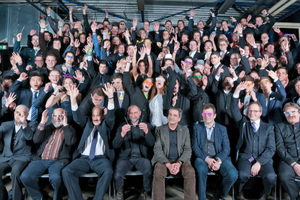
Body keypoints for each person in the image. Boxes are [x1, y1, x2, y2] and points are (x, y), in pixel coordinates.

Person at [62, 83, 115, 200]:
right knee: (67, 171)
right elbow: (76, 116)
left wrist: (110, 98)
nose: (95, 118)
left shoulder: (106, 125)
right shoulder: (87, 123)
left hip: (101, 159)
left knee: (108, 171)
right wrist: (73, 99)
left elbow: (111, 116)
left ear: (102, 116)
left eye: (98, 115)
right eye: (93, 115)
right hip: (84, 158)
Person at [231, 82, 277, 200]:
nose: (252, 113)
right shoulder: (243, 123)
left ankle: (265, 193)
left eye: (255, 111)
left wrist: (259, 162)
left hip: (262, 159)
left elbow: (271, 148)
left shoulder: (268, 127)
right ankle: (239, 192)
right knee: (242, 175)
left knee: (271, 176)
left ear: (260, 113)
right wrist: (236, 91)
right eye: (250, 111)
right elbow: (234, 110)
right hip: (246, 157)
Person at [20, 108, 76, 200]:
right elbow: (36, 140)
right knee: (25, 177)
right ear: (52, 117)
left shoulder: (70, 129)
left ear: (65, 116)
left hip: (58, 161)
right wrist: (42, 122)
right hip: (41, 160)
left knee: (56, 178)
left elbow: (70, 142)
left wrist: (65, 124)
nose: (57, 118)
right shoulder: (47, 127)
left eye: (60, 116)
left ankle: (57, 198)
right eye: (55, 116)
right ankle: (40, 197)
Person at [192, 103, 238, 200]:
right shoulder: (197, 128)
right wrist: (207, 159)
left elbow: (226, 148)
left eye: (209, 114)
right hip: (202, 158)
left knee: (233, 174)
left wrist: (218, 161)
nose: (207, 117)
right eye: (204, 114)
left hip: (220, 158)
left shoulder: (222, 129)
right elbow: (195, 147)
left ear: (214, 115)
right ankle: (202, 198)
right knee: (200, 170)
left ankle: (220, 195)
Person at [152, 107, 195, 200]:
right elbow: (157, 149)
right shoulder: (159, 130)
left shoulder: (184, 130)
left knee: (190, 172)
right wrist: (168, 164)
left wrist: (179, 163)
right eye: (170, 114)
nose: (171, 117)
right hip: (163, 160)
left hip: (180, 160)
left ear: (179, 119)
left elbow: (188, 150)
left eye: (175, 115)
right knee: (158, 171)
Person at [113, 105, 154, 200]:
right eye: (131, 113)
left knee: (148, 170)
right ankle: (120, 191)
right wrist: (122, 134)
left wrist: (147, 132)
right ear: (128, 114)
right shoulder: (121, 126)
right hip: (125, 158)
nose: (133, 115)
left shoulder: (147, 126)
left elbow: (151, 144)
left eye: (135, 112)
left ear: (140, 114)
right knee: (117, 173)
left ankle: (145, 191)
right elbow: (115, 145)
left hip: (141, 158)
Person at [0, 105, 37, 200]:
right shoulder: (5, 125)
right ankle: (3, 196)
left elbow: (29, 137)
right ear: (14, 113)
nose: (19, 115)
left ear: (27, 115)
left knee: (15, 172)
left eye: (23, 113)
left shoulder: (32, 124)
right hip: (6, 157)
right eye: (17, 112)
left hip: (22, 157)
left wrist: (24, 123)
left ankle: (17, 198)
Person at [275, 103, 300, 200]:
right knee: (284, 175)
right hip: (288, 160)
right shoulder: (279, 127)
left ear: (299, 113)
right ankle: (296, 198)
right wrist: (294, 164)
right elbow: (280, 148)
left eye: (293, 112)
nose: (291, 115)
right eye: (287, 113)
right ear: (284, 115)